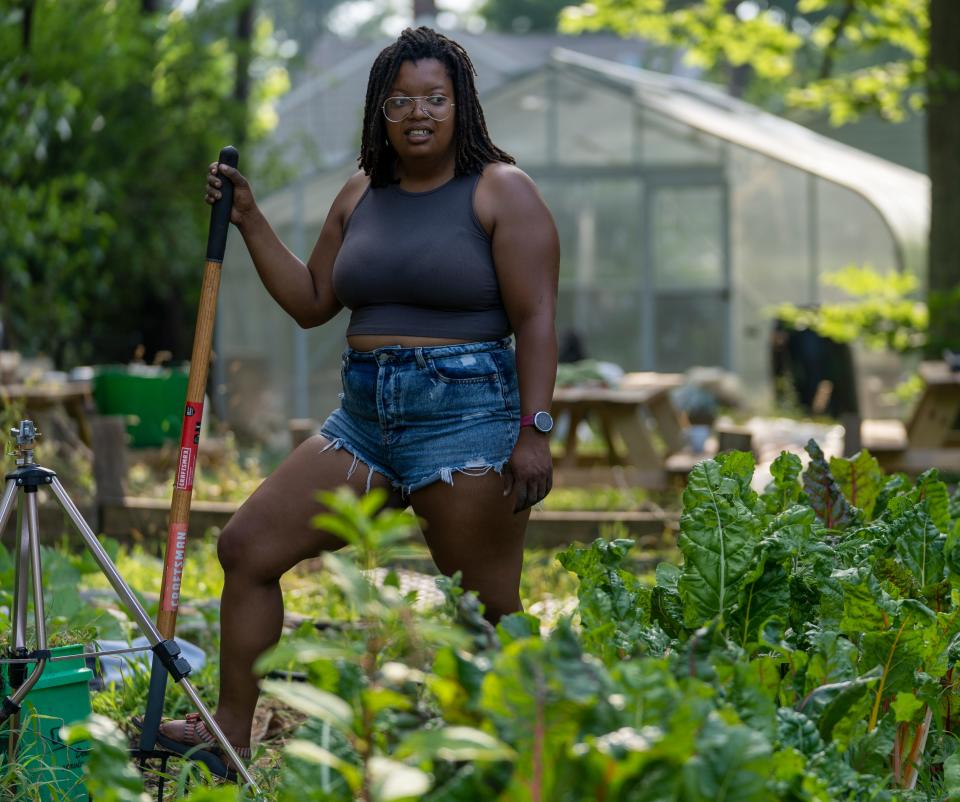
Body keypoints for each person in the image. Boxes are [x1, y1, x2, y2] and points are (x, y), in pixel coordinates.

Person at [156, 26, 560, 771]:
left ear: (460, 105)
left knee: (486, 609)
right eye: (401, 100)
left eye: (434, 98)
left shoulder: (503, 190)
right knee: (246, 548)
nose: (418, 113)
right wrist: (248, 217)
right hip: (365, 421)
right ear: (380, 109)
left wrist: (534, 430)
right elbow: (313, 300)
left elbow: (536, 318)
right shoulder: (360, 192)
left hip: (467, 416)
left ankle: (531, 757)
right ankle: (229, 735)